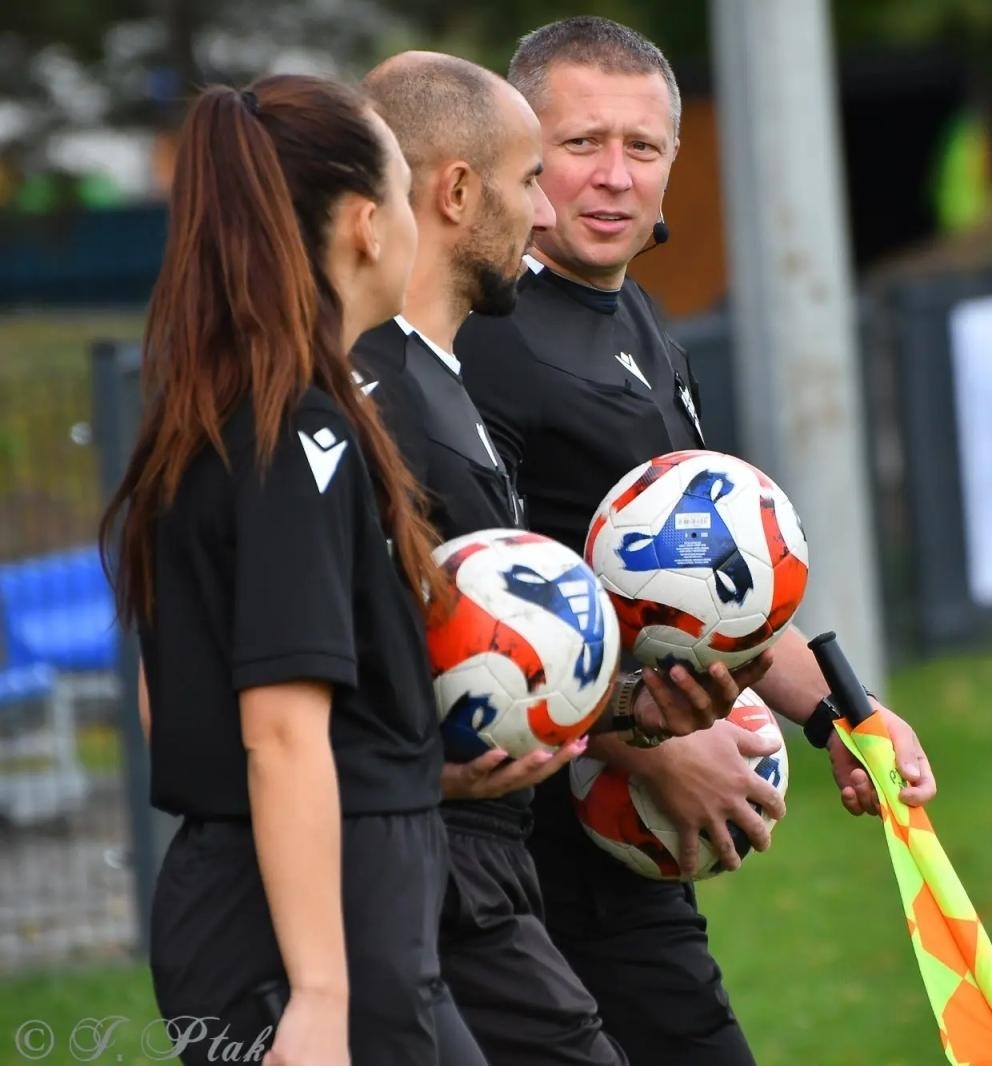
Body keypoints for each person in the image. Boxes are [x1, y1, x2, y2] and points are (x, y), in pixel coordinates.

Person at [457, 18, 938, 1066]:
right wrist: (652, 746)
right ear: (518, 154)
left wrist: (842, 718)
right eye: (582, 142)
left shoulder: (639, 325)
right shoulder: (480, 344)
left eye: (644, 147)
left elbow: (713, 603)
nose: (614, 176)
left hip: (621, 868)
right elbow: (464, 622)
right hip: (516, 857)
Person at [102, 75, 485, 1064]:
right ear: (364, 225)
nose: (410, 219)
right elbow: (276, 729)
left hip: (321, 904)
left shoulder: (224, 418)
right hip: (307, 940)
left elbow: (170, 702)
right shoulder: (295, 435)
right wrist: (318, 993)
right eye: (402, 193)